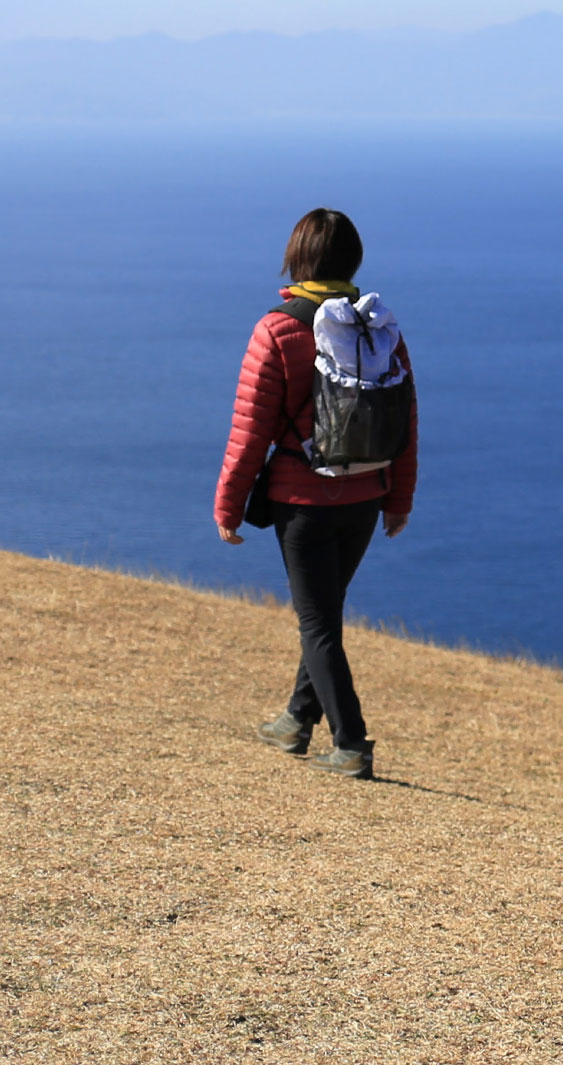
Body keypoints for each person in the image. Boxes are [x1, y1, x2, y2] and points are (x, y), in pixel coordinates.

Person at [214, 207, 417, 780]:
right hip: (365, 496)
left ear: (296, 257)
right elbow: (406, 421)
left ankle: (351, 743)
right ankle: (296, 721)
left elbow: (250, 429)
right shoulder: (380, 328)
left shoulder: (277, 329)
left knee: (318, 623)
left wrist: (229, 506)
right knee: (324, 614)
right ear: (352, 261)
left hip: (301, 501)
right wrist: (398, 498)